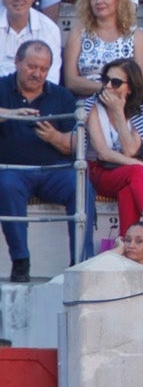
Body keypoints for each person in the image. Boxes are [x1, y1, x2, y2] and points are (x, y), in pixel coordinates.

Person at [0, 41, 94, 282]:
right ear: (17, 62)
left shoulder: (61, 95)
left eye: (43, 69)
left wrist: (55, 137)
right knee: (6, 184)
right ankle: (21, 261)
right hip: (13, 170)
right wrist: (9, 114)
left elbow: (77, 143)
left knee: (81, 185)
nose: (37, 74)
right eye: (31, 66)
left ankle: (82, 262)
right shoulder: (2, 87)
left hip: (55, 171)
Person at [86, 59, 143, 256]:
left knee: (129, 189)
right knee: (138, 170)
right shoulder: (93, 107)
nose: (108, 86)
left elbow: (129, 149)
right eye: (106, 80)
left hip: (127, 176)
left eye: (116, 82)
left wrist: (118, 112)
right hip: (99, 172)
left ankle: (127, 249)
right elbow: (103, 152)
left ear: (130, 88)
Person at [62, 0, 143, 98]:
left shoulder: (137, 36)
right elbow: (71, 81)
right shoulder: (78, 33)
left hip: (125, 103)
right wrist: (106, 88)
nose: (99, 1)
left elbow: (139, 84)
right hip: (87, 104)